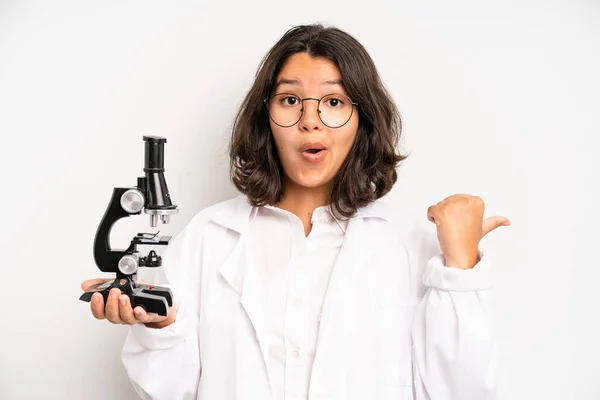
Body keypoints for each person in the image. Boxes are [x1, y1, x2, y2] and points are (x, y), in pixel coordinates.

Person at [82, 24, 509, 400]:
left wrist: (460, 269)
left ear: (363, 118)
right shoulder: (208, 237)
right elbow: (169, 391)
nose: (310, 121)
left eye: (335, 102)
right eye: (290, 100)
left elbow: (463, 392)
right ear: (265, 115)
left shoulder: (409, 243)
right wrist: (160, 329)